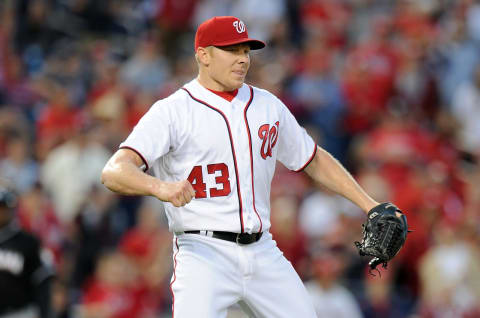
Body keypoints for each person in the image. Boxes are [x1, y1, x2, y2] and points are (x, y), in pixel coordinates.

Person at [101, 16, 381, 317]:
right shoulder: (173, 111)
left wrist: (370, 205)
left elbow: (312, 159)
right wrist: (159, 187)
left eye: (246, 51)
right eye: (231, 51)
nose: (242, 60)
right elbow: (114, 171)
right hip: (202, 251)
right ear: (203, 55)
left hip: (262, 249)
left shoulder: (268, 105)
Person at [0, 185, 54, 318]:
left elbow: (41, 280)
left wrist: (44, 313)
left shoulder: (27, 242)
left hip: (18, 312)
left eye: (3, 208)